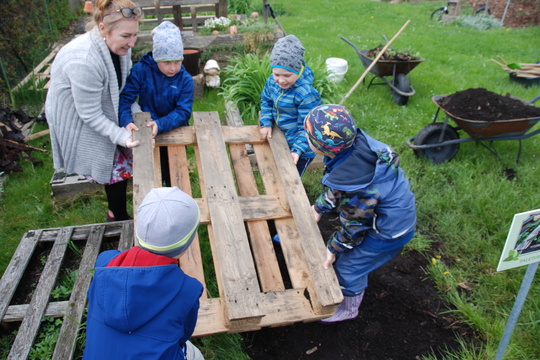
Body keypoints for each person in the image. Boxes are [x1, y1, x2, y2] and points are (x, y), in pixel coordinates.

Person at [304, 104, 416, 324]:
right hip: (394, 215)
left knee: (347, 266)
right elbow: (339, 186)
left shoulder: (357, 187)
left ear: (322, 147)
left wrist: (333, 248)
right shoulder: (353, 148)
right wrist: (319, 207)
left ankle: (348, 308)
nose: (305, 137)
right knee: (353, 258)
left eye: (308, 136)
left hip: (388, 232)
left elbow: (355, 228)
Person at [45, 0, 142, 222]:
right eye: (126, 36)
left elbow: (122, 89)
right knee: (114, 167)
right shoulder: (85, 60)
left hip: (97, 108)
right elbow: (89, 114)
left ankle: (122, 212)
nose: (132, 43)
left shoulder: (119, 49)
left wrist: (135, 115)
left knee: (124, 160)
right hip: (76, 117)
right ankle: (117, 217)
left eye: (135, 35)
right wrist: (121, 135)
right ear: (102, 29)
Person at [83, 187, 205, 359]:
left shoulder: (105, 262)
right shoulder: (188, 289)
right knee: (194, 354)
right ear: (188, 242)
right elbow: (184, 334)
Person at [119, 20, 194, 186]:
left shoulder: (186, 80)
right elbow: (125, 98)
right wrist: (126, 120)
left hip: (174, 129)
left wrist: (160, 124)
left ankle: (173, 194)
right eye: (167, 62)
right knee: (151, 173)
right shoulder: (141, 70)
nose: (173, 68)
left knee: (174, 173)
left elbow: (183, 111)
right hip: (145, 129)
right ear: (156, 57)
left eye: (177, 61)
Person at [259, 34, 321, 177]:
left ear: (297, 70)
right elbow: (266, 99)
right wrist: (266, 122)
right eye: (276, 74)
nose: (281, 80)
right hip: (282, 138)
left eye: (287, 75)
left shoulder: (306, 94)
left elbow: (308, 127)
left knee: (292, 179)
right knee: (278, 174)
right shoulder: (272, 81)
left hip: (302, 148)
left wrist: (297, 150)